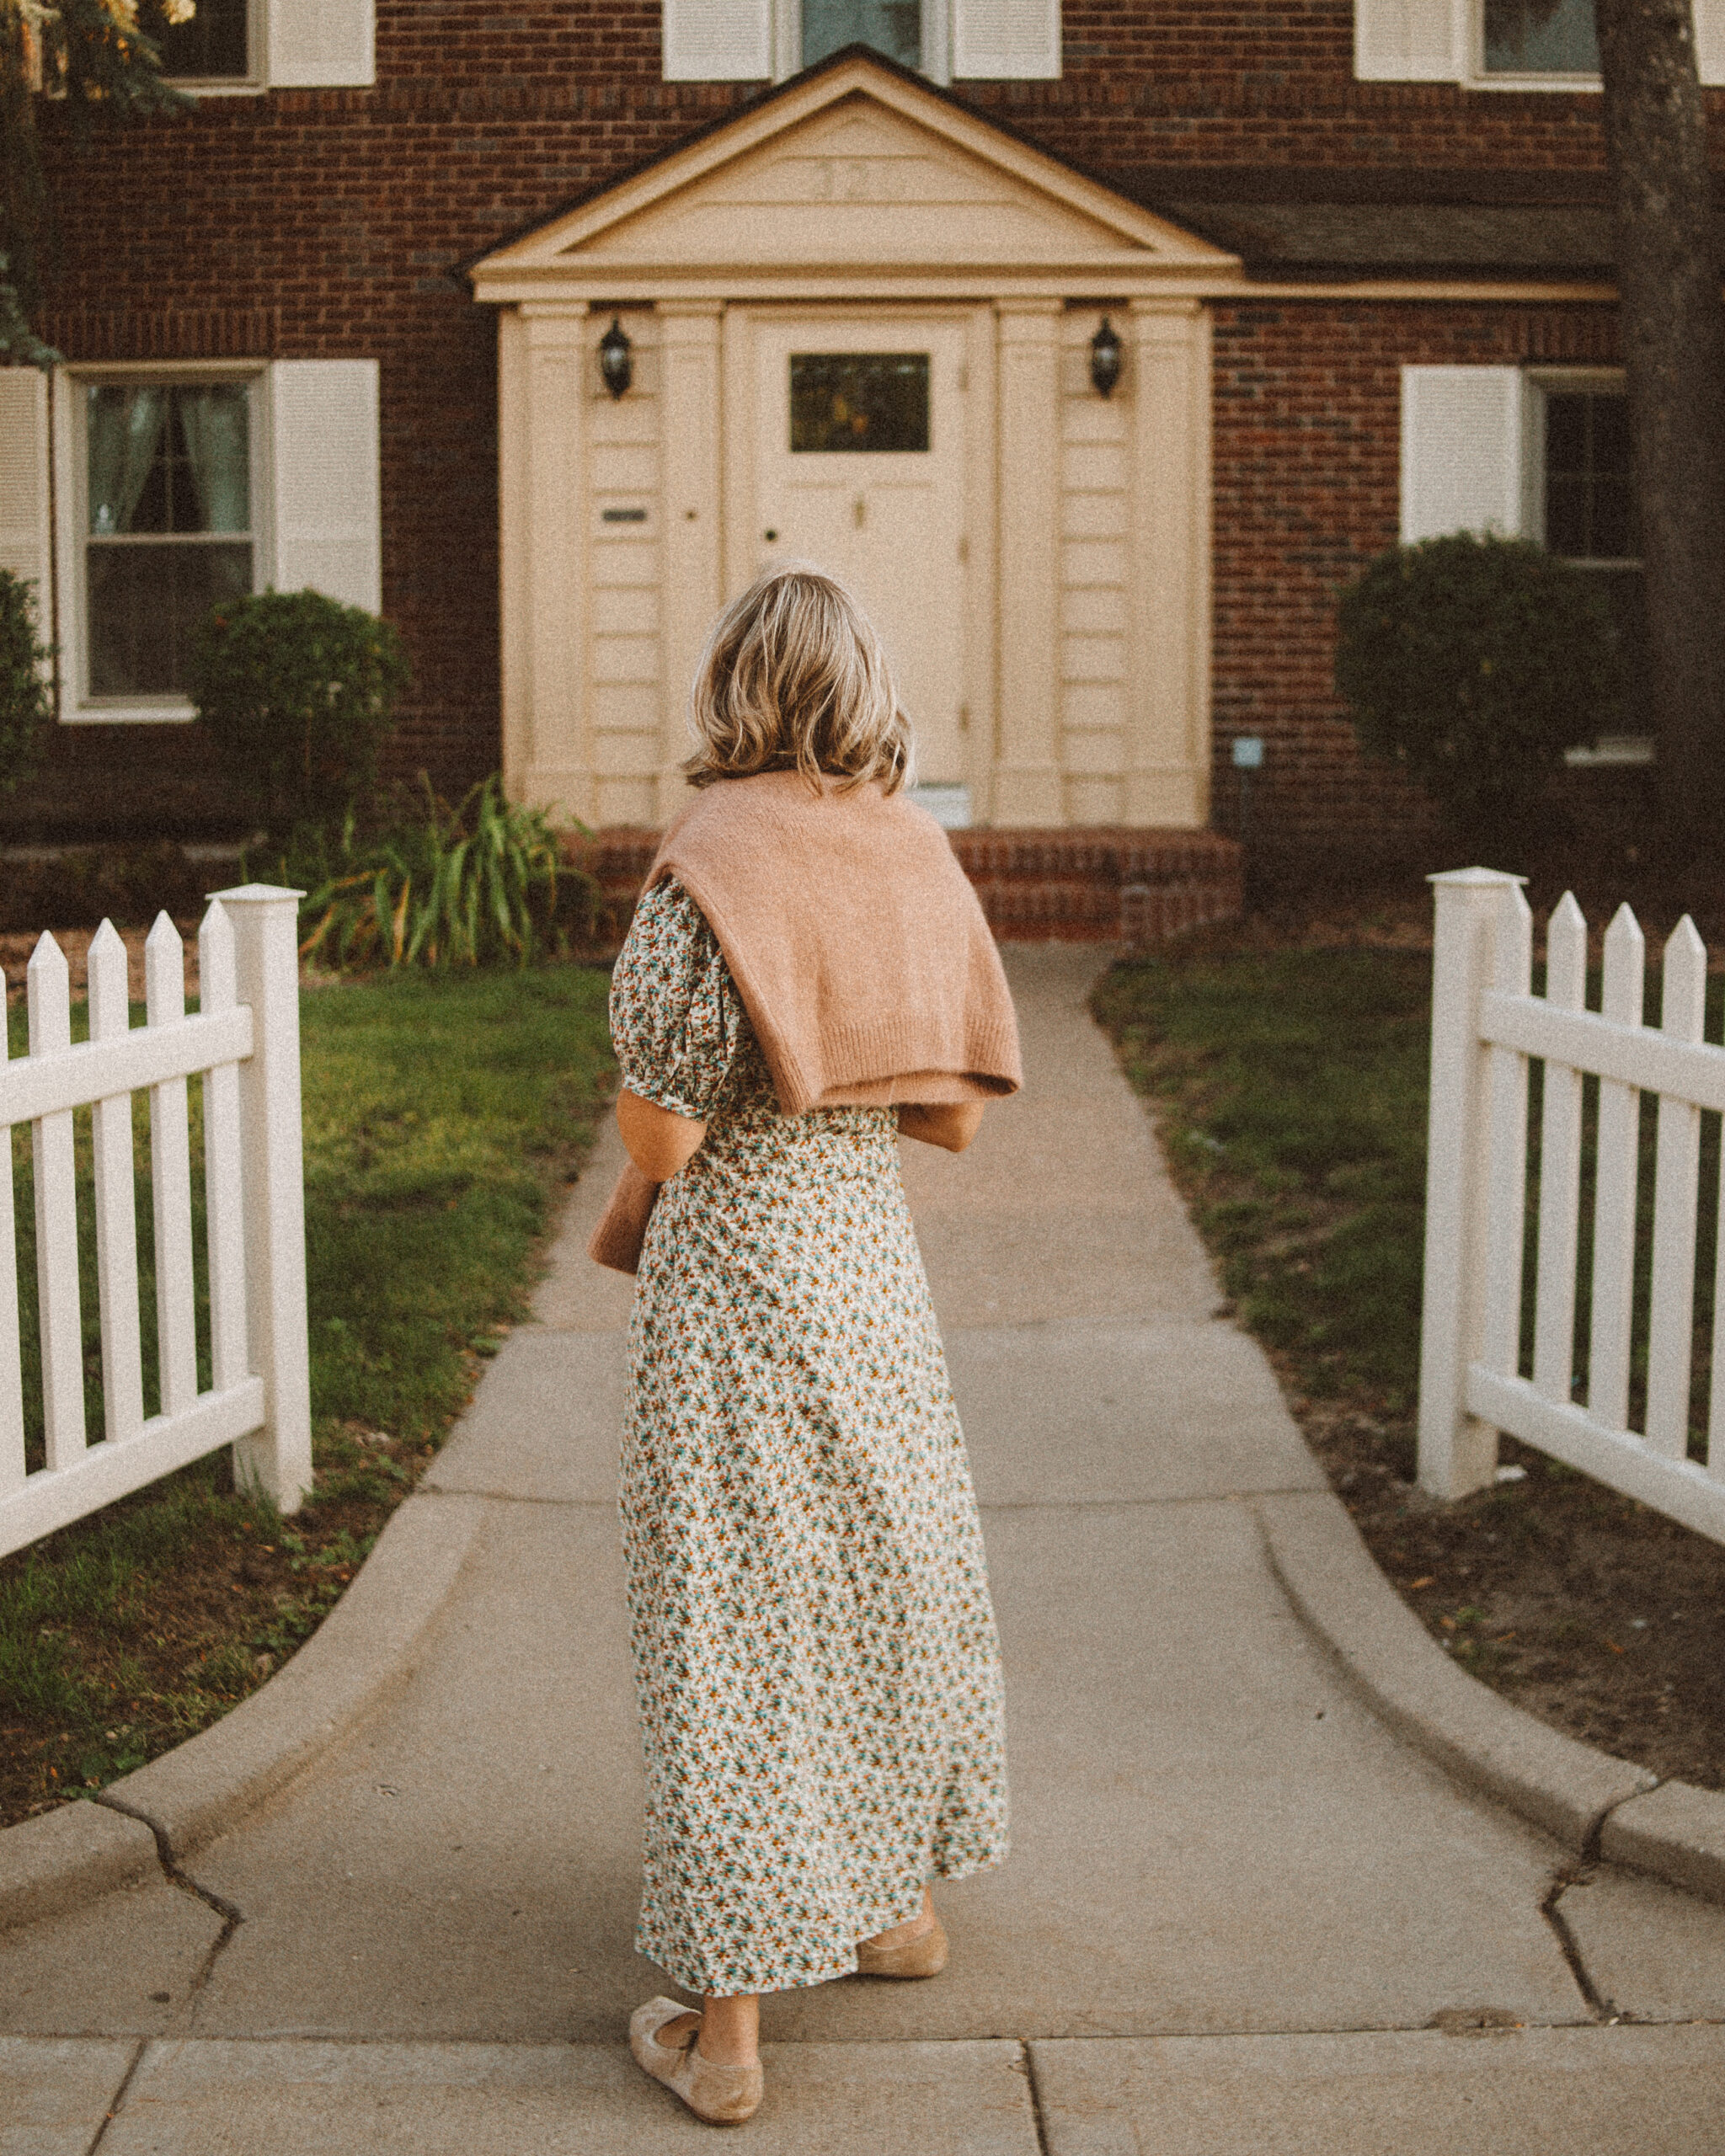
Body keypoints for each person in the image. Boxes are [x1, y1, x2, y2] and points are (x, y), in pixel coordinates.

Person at [595, 563, 1021, 2127]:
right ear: (858, 689)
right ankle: (897, 1913)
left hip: (739, 1303)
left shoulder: (708, 867)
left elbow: (666, 1132)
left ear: (733, 689)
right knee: (878, 1583)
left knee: (734, 1631)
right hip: (870, 1286)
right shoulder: (914, 854)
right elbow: (957, 1114)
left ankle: (727, 2043)